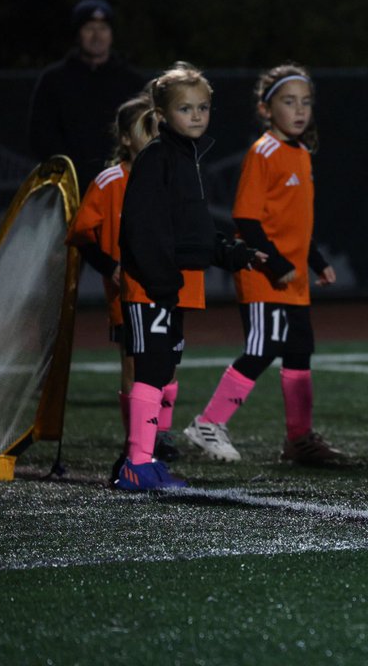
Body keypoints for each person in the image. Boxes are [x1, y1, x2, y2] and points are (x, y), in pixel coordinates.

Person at [112, 62, 263, 491]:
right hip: (152, 288)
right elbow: (140, 229)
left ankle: (146, 459)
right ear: (161, 115)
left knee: (163, 369)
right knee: (151, 368)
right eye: (185, 108)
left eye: (203, 107)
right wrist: (161, 283)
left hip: (168, 289)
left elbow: (192, 233)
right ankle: (137, 465)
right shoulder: (157, 158)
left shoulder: (184, 159)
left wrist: (233, 253)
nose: (196, 116)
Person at [184, 64, 341, 466]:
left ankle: (298, 439)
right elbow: (247, 219)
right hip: (263, 273)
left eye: (305, 102)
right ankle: (208, 422)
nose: (299, 110)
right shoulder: (264, 151)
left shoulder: (302, 152)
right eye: (289, 102)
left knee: (300, 350)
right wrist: (275, 265)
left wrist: (316, 260)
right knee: (264, 346)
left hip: (293, 277)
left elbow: (297, 223)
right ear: (266, 110)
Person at [66, 92, 182, 466]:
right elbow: (80, 233)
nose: (154, 136)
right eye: (145, 129)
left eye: (157, 128)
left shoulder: (169, 175)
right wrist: (108, 266)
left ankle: (158, 435)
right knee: (135, 363)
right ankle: (136, 443)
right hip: (128, 294)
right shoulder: (110, 180)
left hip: (165, 289)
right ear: (126, 139)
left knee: (167, 363)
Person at [28, 0, 146, 186]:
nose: (97, 36)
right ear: (78, 34)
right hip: (69, 186)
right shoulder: (54, 80)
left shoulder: (132, 82)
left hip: (122, 186)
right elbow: (41, 136)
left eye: (103, 28)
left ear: (111, 34)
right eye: (89, 28)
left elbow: (144, 133)